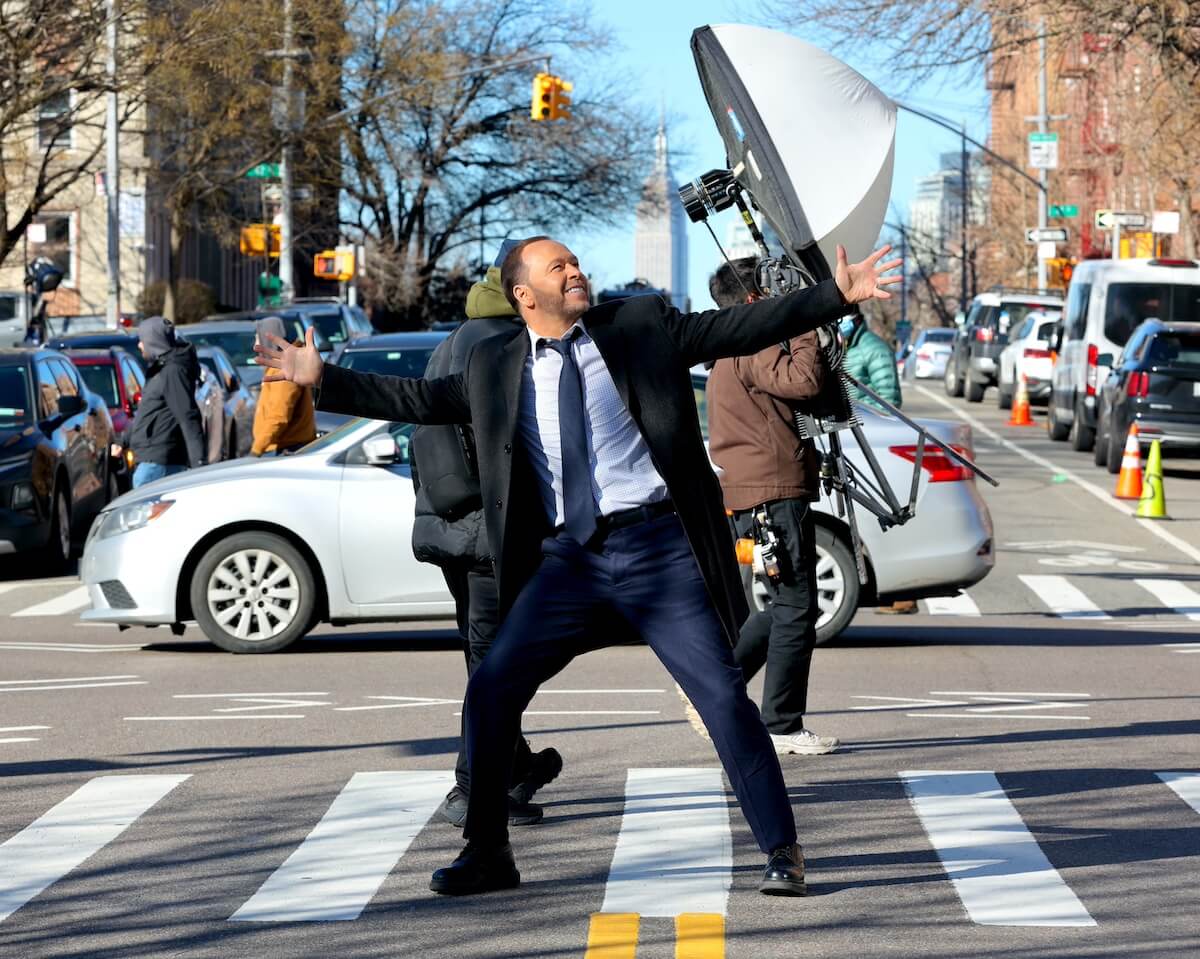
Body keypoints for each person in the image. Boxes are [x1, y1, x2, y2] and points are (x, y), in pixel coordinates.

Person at [256, 235, 901, 899]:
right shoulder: (494, 364)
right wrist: (322, 377)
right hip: (571, 561)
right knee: (491, 687)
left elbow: (741, 324)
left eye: (575, 261)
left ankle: (782, 849)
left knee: (721, 699)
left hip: (658, 550)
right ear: (523, 294)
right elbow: (418, 402)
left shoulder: (640, 327)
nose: (575, 270)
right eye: (557, 266)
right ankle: (488, 852)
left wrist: (832, 297)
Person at [409, 258, 562, 827]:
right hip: (491, 532)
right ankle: (474, 790)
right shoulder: (506, 345)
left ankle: (514, 767)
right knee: (497, 666)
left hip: (451, 527)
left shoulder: (454, 339)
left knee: (487, 657)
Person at [706, 257, 840, 757]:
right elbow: (804, 382)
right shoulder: (754, 341)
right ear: (754, 300)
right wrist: (802, 322)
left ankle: (714, 691)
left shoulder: (728, 347)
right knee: (795, 606)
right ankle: (781, 723)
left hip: (758, 490)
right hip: (772, 491)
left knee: (786, 603)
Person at [129, 316, 206, 487]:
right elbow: (149, 412)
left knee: (145, 514)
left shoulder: (172, 371)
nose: (139, 345)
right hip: (152, 460)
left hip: (158, 463)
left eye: (142, 341)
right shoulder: (160, 369)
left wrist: (199, 465)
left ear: (153, 342)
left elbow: (188, 416)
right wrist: (125, 440)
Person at [250, 316, 316, 457]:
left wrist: (257, 449)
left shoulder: (284, 368)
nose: (256, 343)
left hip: (286, 449)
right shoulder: (284, 363)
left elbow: (279, 415)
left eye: (258, 338)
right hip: (286, 445)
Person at [840, 308, 902, 410]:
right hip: (847, 422)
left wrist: (868, 419)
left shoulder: (876, 349)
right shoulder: (842, 346)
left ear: (856, 318)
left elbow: (890, 402)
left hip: (866, 423)